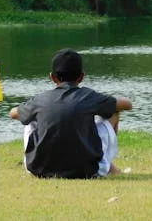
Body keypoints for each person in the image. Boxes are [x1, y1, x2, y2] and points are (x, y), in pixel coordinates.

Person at [8, 48, 132, 178]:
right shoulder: (89, 96)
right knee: (113, 112)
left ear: (52, 77)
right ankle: (108, 166)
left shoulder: (40, 99)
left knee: (29, 119)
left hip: (39, 170)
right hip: (87, 171)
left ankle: (108, 167)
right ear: (81, 77)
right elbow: (127, 105)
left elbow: (13, 113)